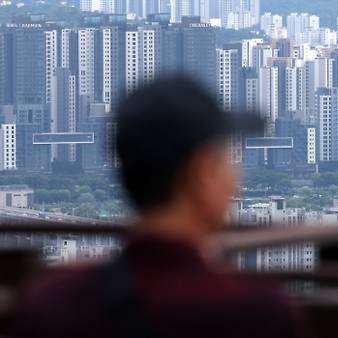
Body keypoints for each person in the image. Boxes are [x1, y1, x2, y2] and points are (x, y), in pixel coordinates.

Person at [11, 76, 304, 338]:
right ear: (202, 173)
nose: (237, 174)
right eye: (230, 157)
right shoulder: (254, 311)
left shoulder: (54, 301)